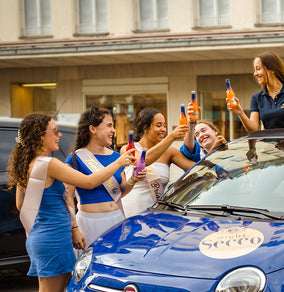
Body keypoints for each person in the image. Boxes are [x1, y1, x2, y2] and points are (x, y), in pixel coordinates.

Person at [7, 113, 134, 291]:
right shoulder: (49, 164)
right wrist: (118, 163)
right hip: (54, 238)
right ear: (40, 136)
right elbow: (89, 182)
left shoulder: (28, 163)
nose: (59, 135)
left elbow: (21, 206)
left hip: (39, 236)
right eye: (54, 131)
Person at [65, 107, 149, 250]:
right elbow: (67, 196)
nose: (114, 131)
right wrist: (74, 229)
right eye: (109, 126)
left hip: (115, 219)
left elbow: (120, 191)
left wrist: (133, 179)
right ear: (93, 129)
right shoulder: (76, 158)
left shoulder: (116, 157)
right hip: (89, 222)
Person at [120, 108, 196, 218]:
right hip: (130, 213)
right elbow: (144, 161)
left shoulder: (170, 152)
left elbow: (196, 168)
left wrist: (213, 149)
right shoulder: (128, 148)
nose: (163, 129)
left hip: (156, 215)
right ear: (145, 128)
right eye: (158, 125)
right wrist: (171, 137)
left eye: (164, 125)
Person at [228, 51, 284, 131]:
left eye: (258, 69)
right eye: (254, 70)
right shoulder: (257, 98)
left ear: (272, 69)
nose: (255, 74)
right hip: (271, 145)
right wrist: (240, 112)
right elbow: (253, 128)